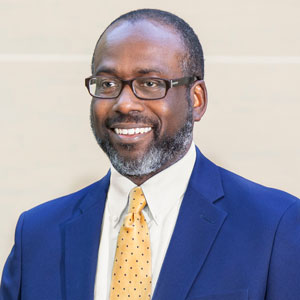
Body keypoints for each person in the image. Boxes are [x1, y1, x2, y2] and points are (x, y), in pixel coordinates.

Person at [1, 8, 300, 300]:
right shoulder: (37, 235)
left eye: (150, 83)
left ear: (196, 99)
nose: (125, 103)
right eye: (107, 84)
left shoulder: (274, 227)